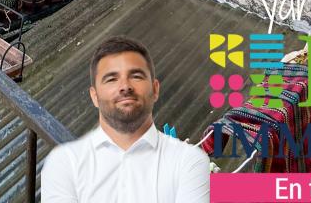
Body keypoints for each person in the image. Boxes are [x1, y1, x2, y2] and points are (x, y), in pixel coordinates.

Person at [41, 36, 211, 202]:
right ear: (94, 96)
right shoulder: (62, 163)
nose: (125, 87)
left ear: (155, 89)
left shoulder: (191, 161)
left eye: (136, 76)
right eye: (111, 79)